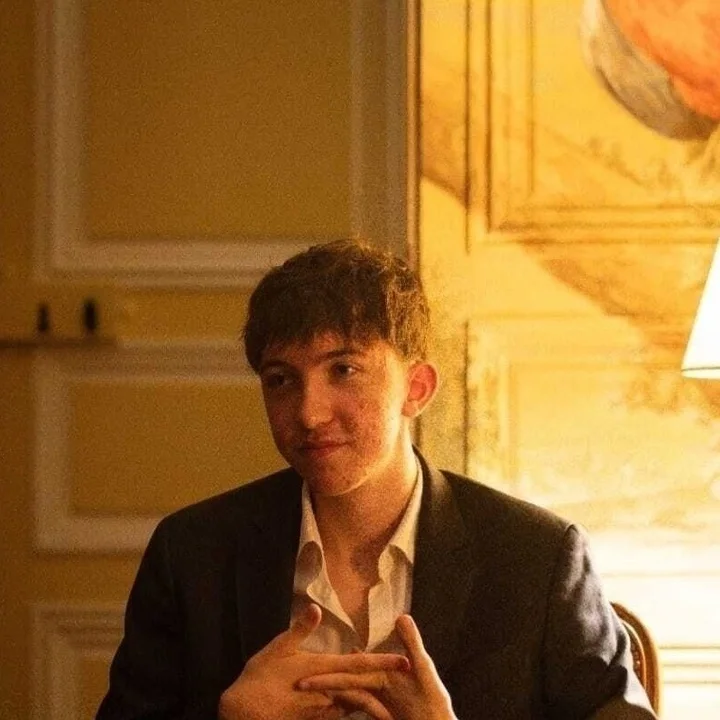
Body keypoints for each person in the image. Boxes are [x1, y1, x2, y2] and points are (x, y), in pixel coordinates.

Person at [96, 239, 657, 719]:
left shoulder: (537, 558)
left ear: (417, 388)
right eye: (281, 380)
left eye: (343, 370)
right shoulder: (192, 553)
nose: (309, 413)